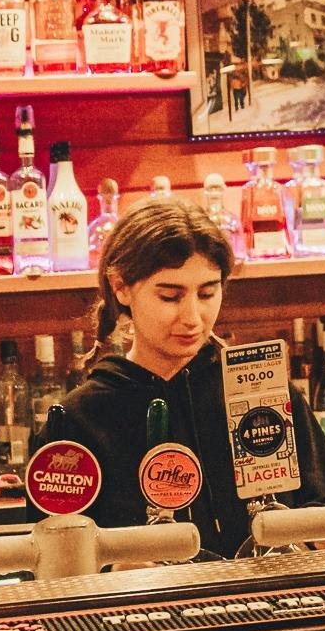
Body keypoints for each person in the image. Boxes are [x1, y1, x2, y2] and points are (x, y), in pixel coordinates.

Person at [34, 196, 247, 559]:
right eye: (170, 296)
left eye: (208, 292)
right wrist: (113, 572)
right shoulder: (79, 418)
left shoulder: (256, 391)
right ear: (121, 286)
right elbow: (53, 568)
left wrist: (324, 537)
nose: (193, 317)